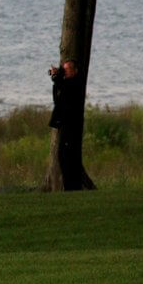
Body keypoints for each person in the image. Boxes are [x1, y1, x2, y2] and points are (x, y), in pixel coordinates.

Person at [48, 60, 83, 191]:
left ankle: (71, 187)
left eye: (67, 69)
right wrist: (56, 77)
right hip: (64, 123)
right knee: (63, 155)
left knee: (66, 155)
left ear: (75, 71)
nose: (65, 72)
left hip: (71, 124)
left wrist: (56, 77)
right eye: (64, 69)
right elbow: (57, 98)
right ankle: (69, 186)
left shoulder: (75, 83)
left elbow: (65, 87)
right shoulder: (65, 83)